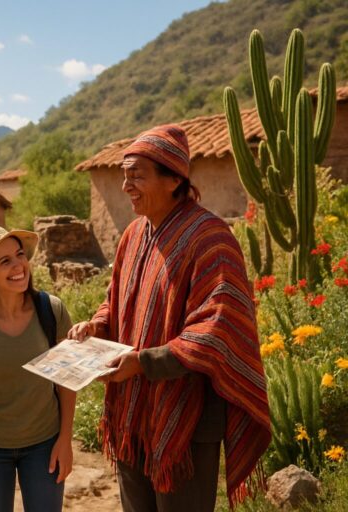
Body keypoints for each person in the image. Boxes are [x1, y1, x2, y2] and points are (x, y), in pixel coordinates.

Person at [68, 125, 271, 511]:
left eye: (137, 176)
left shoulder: (211, 239)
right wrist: (96, 325)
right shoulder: (133, 236)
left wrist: (145, 362)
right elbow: (116, 301)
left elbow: (216, 328)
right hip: (132, 414)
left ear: (174, 179)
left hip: (187, 423)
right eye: (124, 175)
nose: (126, 186)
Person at [0, 226, 75, 512]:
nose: (18, 265)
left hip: (45, 444)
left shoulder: (52, 310)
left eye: (20, 255)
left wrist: (65, 439)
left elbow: (66, 378)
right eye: (5, 261)